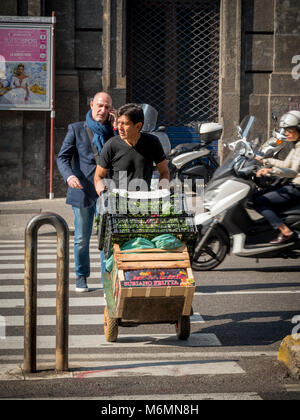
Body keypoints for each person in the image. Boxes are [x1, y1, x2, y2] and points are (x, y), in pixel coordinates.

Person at [57, 92, 118, 292]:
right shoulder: (76, 129)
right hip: (82, 190)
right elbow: (63, 158)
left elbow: (123, 152)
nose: (103, 110)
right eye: (100, 105)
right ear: (92, 104)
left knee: (106, 238)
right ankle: (81, 276)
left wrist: (117, 127)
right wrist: (69, 176)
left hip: (105, 190)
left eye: (107, 107)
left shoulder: (114, 130)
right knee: (82, 238)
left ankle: (106, 281)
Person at [94, 103, 170, 196]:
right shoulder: (111, 145)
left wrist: (159, 195)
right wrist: (104, 196)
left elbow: (164, 172)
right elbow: (98, 176)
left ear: (138, 126)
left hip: (143, 203)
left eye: (125, 123)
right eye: (118, 122)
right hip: (118, 205)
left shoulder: (152, 142)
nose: (119, 128)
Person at [253, 110, 300, 245]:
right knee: (255, 196)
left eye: (289, 130)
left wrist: (270, 170)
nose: (286, 133)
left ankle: (286, 232)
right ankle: (272, 222)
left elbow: (291, 171)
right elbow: (286, 164)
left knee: (260, 201)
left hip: (297, 186)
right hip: (292, 182)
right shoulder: (295, 145)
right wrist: (265, 161)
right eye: (285, 130)